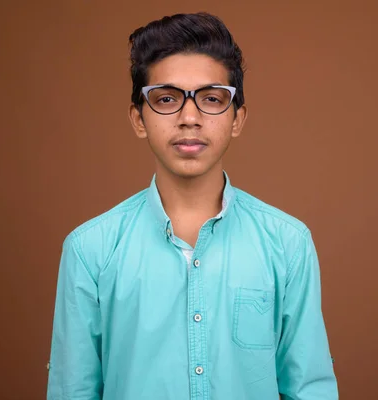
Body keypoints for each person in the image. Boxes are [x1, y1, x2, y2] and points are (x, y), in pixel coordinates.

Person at [46, 12, 338, 400]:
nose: (189, 118)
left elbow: (308, 389)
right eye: (166, 99)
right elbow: (72, 390)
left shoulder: (288, 243)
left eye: (211, 98)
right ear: (138, 118)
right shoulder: (90, 250)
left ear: (237, 118)